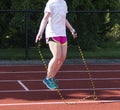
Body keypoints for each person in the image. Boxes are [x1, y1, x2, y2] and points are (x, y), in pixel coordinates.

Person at [35, 0, 77, 90]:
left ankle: (51, 77)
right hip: (52, 33)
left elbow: (63, 18)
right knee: (57, 56)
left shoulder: (64, 3)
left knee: (62, 57)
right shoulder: (51, 3)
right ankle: (48, 78)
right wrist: (40, 32)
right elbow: (45, 18)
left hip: (62, 33)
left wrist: (71, 29)